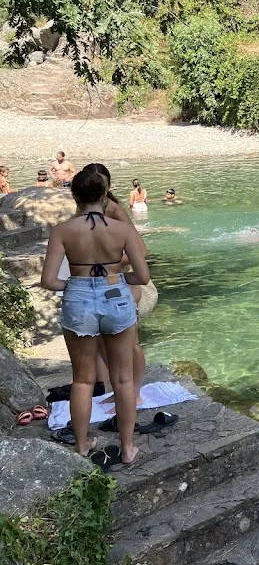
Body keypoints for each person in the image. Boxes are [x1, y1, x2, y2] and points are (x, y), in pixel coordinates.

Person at [39, 169, 150, 462]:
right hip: (116, 297)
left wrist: (78, 285)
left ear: (74, 195)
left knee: (83, 380)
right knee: (124, 379)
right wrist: (114, 280)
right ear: (105, 195)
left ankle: (82, 445)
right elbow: (142, 274)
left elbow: (49, 281)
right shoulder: (122, 229)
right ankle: (127, 449)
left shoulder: (63, 230)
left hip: (78, 300)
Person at [81, 163, 148, 408]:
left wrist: (109, 265)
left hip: (121, 284)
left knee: (130, 343)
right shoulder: (87, 210)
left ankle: (136, 391)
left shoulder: (115, 211)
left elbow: (141, 251)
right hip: (98, 287)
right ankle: (123, 389)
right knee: (101, 342)